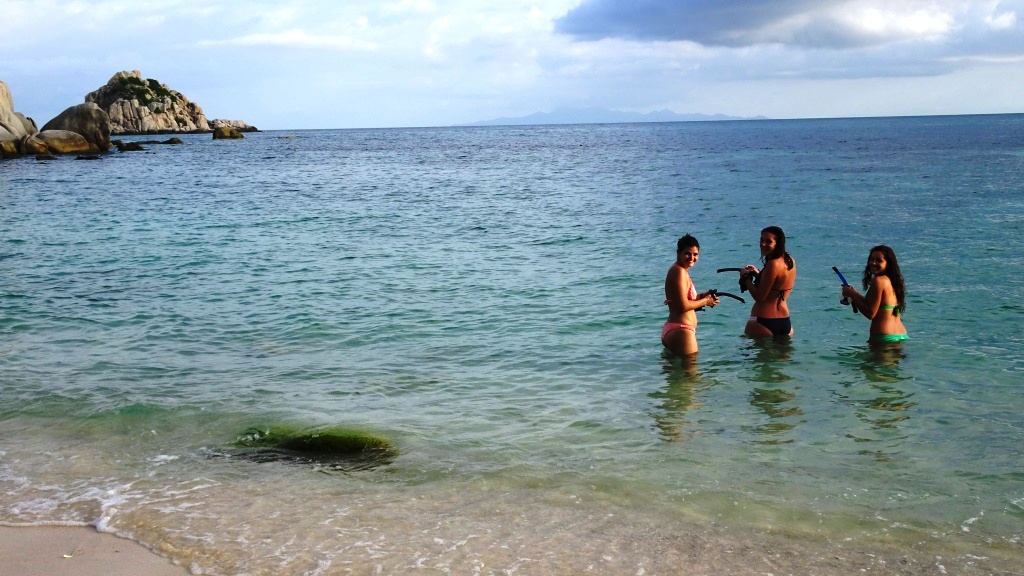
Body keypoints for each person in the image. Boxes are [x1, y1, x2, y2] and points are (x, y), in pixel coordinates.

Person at [662, 234, 720, 356]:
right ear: (678, 253)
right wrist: (705, 301)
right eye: (687, 253)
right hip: (682, 331)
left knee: (676, 374)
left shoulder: (679, 270)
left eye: (695, 254)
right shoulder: (679, 272)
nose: (691, 258)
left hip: (676, 329)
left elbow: (683, 299)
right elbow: (683, 306)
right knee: (691, 375)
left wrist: (704, 295)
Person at [841, 245, 908, 343]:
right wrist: (854, 293)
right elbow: (875, 304)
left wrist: (852, 295)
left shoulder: (878, 281)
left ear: (888, 263)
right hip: (900, 335)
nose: (873, 263)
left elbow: (871, 313)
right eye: (871, 259)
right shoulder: (892, 281)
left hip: (883, 339)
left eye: (879, 260)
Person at [739, 226, 796, 338]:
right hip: (785, 322)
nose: (763, 244)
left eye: (768, 241)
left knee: (747, 354)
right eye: (761, 240)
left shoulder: (773, 264)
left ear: (778, 243)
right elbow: (778, 283)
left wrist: (745, 278)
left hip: (763, 321)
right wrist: (758, 274)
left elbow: (760, 297)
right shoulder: (790, 261)